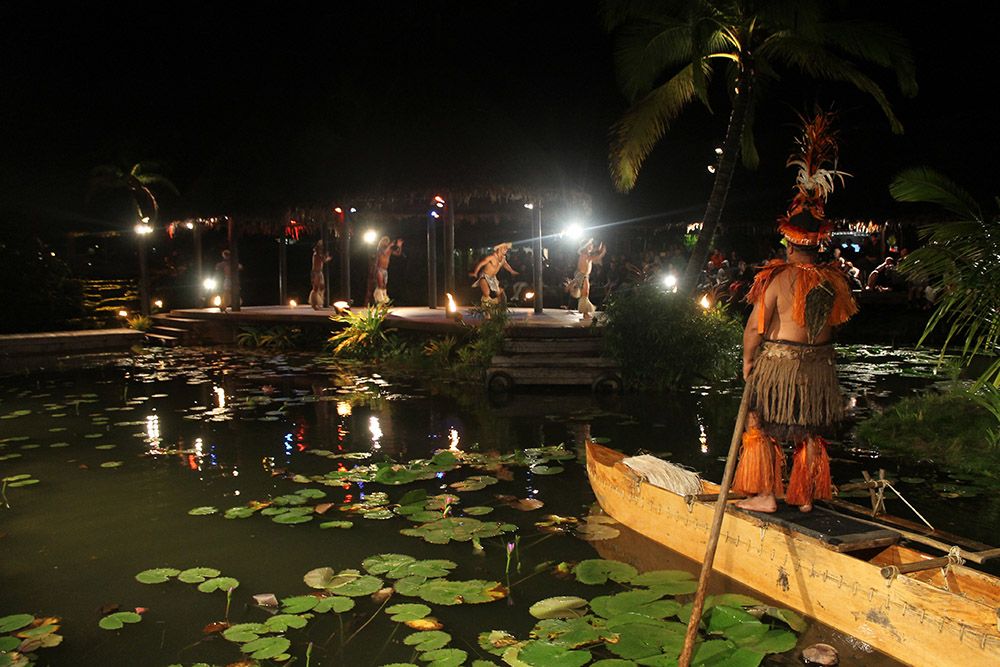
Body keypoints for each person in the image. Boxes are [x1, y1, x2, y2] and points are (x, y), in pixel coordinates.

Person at [737, 111, 858, 513]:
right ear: (817, 243)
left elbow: (756, 327)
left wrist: (748, 360)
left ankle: (766, 495)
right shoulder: (834, 279)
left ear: (789, 242)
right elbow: (836, 320)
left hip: (782, 362)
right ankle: (805, 497)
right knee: (809, 430)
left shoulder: (776, 277)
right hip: (820, 367)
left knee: (761, 421)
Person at [565, 239, 607, 317]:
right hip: (582, 275)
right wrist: (602, 252)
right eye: (590, 245)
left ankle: (585, 312)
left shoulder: (586, 254)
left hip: (583, 275)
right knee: (585, 294)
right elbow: (595, 258)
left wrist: (599, 250)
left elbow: (594, 253)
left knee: (585, 293)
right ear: (586, 246)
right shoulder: (585, 255)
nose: (591, 246)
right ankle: (585, 313)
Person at [372, 236, 403, 304]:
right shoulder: (379, 250)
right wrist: (390, 245)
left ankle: (383, 299)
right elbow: (384, 253)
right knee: (380, 285)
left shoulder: (389, 249)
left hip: (385, 270)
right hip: (379, 269)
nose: (386, 242)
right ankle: (380, 300)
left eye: (387, 241)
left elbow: (398, 253)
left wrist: (399, 246)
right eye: (385, 241)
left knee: (384, 286)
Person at [308, 240, 332, 310]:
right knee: (315, 288)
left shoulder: (319, 255)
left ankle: (320, 302)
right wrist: (328, 257)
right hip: (316, 272)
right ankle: (314, 304)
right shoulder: (316, 255)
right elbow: (323, 260)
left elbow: (323, 259)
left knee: (322, 287)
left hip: (319, 272)